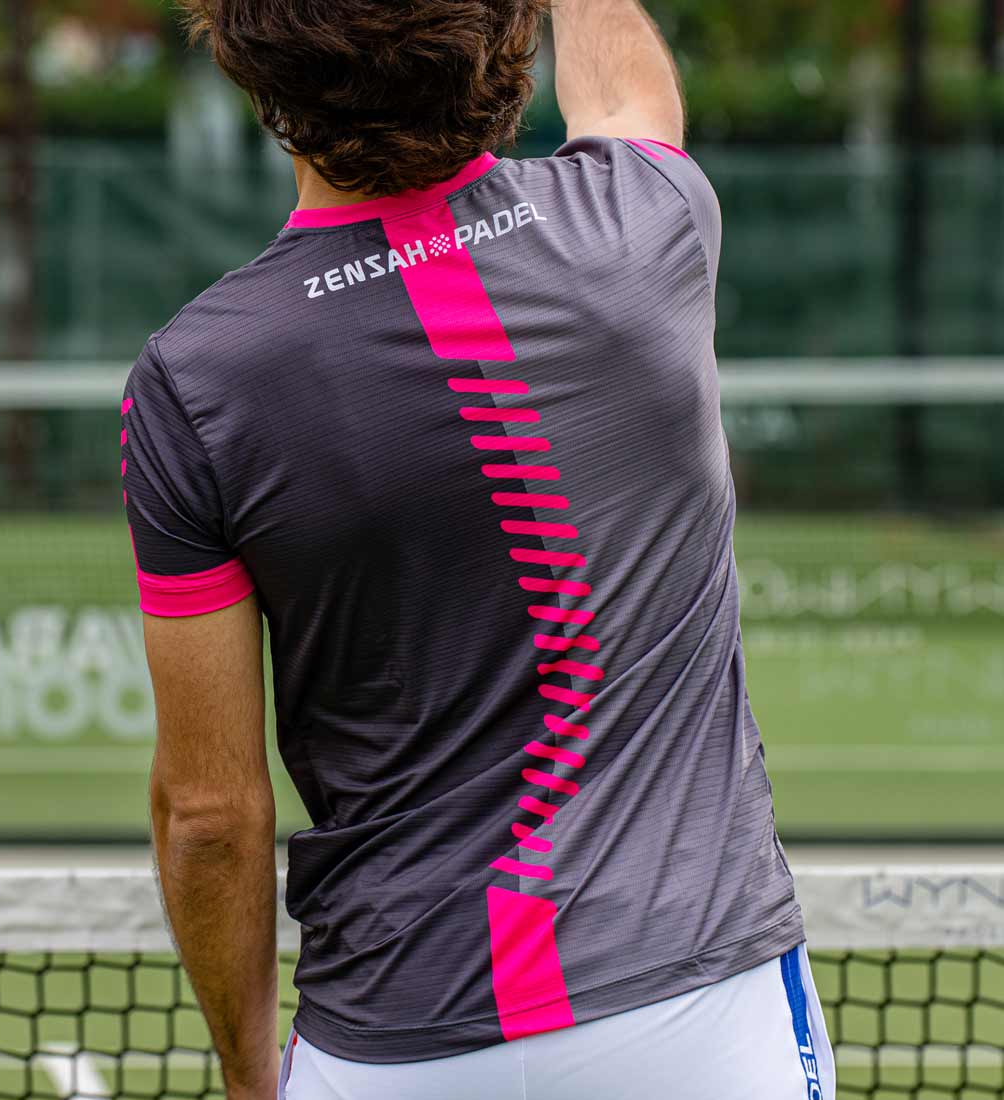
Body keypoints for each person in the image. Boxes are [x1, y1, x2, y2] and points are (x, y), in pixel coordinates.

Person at [121, 1, 836, 1097]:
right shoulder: (642, 222)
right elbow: (627, 91)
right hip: (702, 1022)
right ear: (503, 41)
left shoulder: (194, 380)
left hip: (394, 1041)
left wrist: (253, 1075)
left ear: (250, 65)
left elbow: (210, 816)